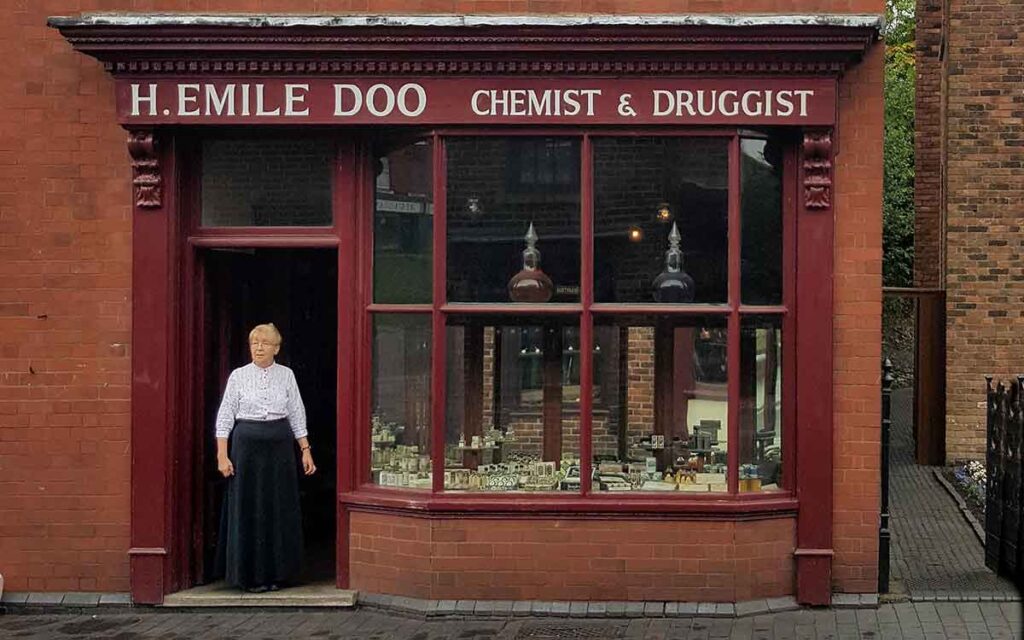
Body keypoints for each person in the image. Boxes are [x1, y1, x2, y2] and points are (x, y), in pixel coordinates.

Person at [214, 323, 316, 593]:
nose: (258, 348)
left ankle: (278, 574)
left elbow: (296, 412)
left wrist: (305, 450)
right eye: (254, 343)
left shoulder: (287, 375)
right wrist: (222, 455)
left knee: (277, 506)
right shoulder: (238, 376)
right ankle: (249, 577)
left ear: (276, 348)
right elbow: (225, 417)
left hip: (279, 448)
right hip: (246, 448)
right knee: (249, 506)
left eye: (264, 343)